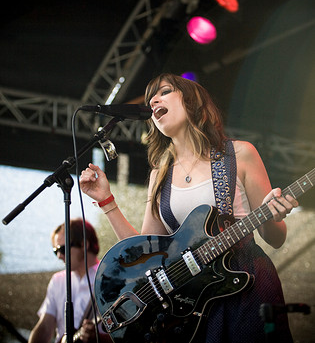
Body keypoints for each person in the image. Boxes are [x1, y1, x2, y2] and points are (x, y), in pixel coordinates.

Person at [79, 73, 299, 343]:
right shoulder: (160, 173)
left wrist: (270, 215)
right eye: (151, 98)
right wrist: (106, 201)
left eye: (165, 91)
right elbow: (144, 255)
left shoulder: (239, 155)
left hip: (245, 286)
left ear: (193, 102)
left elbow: (276, 238)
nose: (154, 100)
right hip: (190, 305)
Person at [28, 218, 110, 343]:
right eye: (55, 251)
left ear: (84, 244)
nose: (59, 256)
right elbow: (45, 327)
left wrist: (99, 338)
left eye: (62, 249)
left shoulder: (110, 278)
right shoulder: (57, 281)